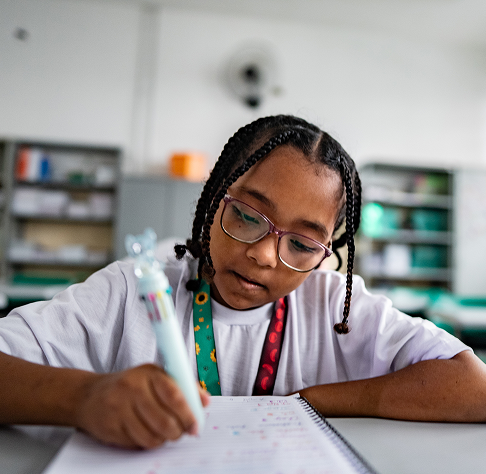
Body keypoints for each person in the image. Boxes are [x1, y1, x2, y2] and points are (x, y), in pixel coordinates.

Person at [0, 115, 486, 451]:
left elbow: (472, 386)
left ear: (326, 253)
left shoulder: (335, 307)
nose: (263, 254)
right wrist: (86, 397)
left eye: (301, 245)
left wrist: (310, 402)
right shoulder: (138, 287)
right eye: (248, 216)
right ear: (216, 198)